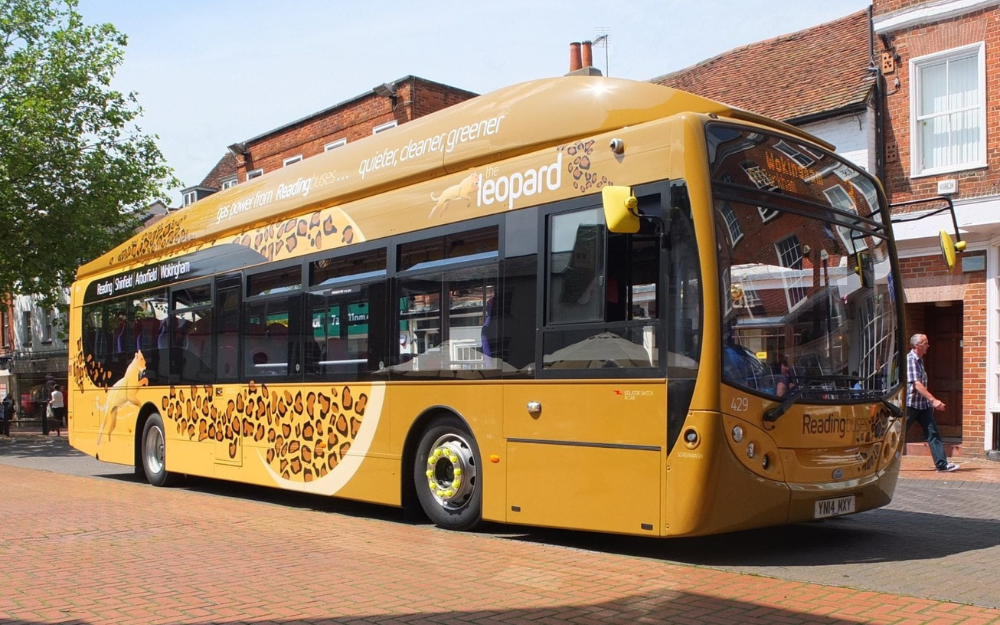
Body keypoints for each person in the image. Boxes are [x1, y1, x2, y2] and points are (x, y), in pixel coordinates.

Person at [906, 333, 958, 472]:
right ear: (917, 345)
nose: (928, 345)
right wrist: (933, 400)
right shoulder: (910, 360)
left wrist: (929, 402)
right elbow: (917, 384)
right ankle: (882, 464)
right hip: (910, 405)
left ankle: (941, 464)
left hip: (922, 406)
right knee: (898, 436)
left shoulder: (920, 360)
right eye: (925, 343)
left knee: (933, 433)